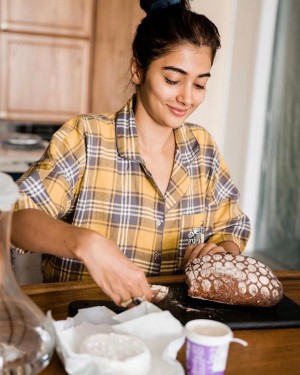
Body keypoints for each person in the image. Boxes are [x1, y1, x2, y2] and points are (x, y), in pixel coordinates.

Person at [11, 0, 251, 307]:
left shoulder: (202, 149)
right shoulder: (86, 138)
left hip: (175, 327)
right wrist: (85, 243)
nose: (187, 98)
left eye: (200, 84)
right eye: (173, 80)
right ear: (138, 69)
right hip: (86, 331)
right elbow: (14, 219)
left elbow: (230, 226)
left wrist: (220, 250)